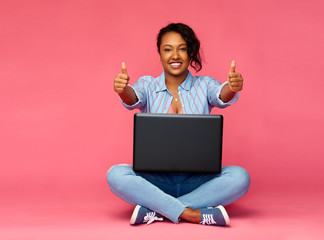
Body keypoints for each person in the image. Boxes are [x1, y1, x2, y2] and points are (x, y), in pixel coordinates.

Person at [107, 23, 250, 226]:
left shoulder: (205, 85)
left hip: (197, 181)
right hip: (156, 181)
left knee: (240, 177)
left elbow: (221, 94)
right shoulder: (147, 85)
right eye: (168, 49)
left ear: (190, 53)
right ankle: (193, 214)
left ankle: (158, 210)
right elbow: (133, 98)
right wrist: (123, 90)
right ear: (160, 54)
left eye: (182, 49)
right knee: (116, 174)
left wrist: (232, 87)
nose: (175, 55)